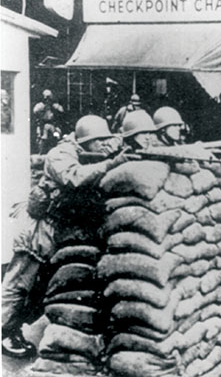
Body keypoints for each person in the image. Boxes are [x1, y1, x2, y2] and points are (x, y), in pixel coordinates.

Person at [2, 115, 128, 359]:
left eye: (106, 140)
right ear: (84, 141)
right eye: (99, 141)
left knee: (43, 287)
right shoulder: (61, 154)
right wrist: (112, 163)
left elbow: (114, 145)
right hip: (38, 228)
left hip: (59, 230)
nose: (104, 145)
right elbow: (76, 178)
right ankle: (4, 331)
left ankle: (15, 329)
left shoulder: (90, 148)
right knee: (20, 284)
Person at [33, 89, 64, 154]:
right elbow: (35, 111)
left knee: (57, 136)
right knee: (42, 138)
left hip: (53, 124)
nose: (47, 100)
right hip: (43, 125)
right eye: (46, 98)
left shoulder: (54, 105)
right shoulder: (40, 105)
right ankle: (40, 152)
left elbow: (61, 110)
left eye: (49, 98)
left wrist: (56, 107)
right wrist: (42, 108)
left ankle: (56, 152)